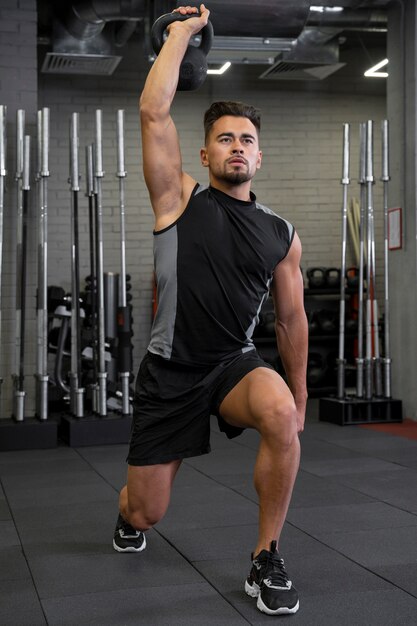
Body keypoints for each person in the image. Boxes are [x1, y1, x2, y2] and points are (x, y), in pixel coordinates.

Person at [113, 3, 308, 617]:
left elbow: (290, 320)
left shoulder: (281, 232)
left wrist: (300, 398)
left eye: (247, 139)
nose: (237, 147)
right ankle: (124, 514)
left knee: (277, 410)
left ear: (259, 155)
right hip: (171, 370)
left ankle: (266, 558)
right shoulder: (177, 200)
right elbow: (153, 111)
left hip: (231, 365)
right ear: (204, 155)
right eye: (224, 138)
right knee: (146, 511)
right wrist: (179, 35)